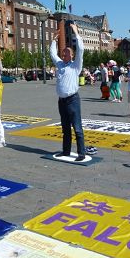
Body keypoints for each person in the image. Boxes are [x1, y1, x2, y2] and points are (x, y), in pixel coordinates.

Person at [50, 23, 86, 161]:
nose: (64, 54)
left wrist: (76, 33)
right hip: (62, 101)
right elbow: (52, 54)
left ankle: (81, 153)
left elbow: (81, 50)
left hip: (73, 100)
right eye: (64, 53)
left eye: (68, 53)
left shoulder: (75, 65)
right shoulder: (59, 64)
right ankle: (66, 151)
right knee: (65, 128)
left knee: (77, 128)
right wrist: (54, 39)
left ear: (72, 56)